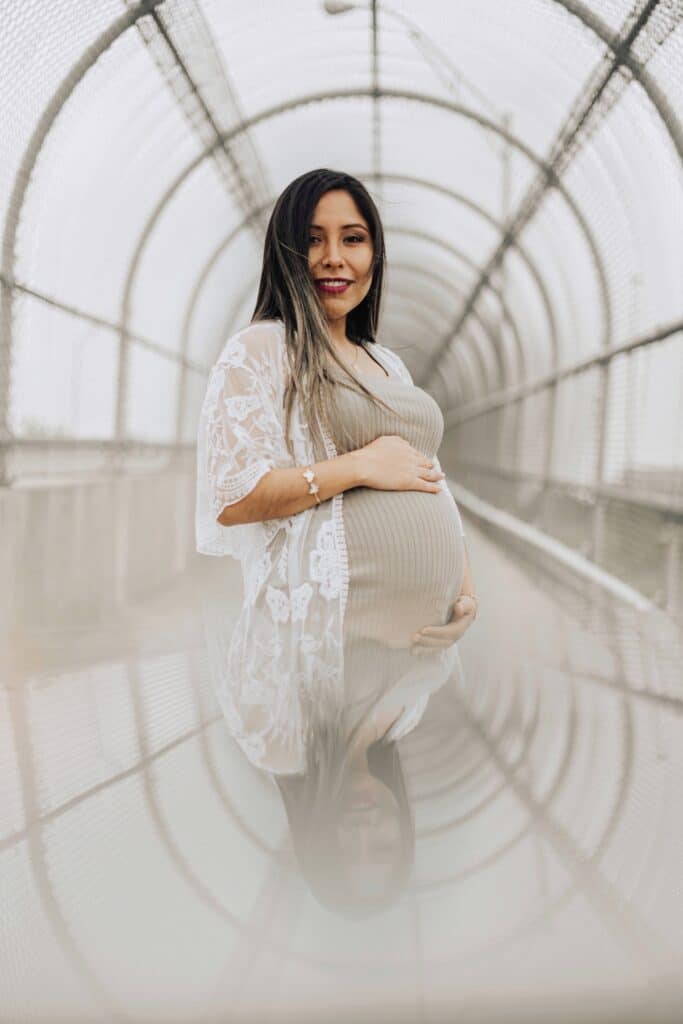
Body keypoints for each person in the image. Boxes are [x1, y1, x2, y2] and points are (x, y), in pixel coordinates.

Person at [195, 168, 478, 913]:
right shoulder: (262, 351)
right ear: (285, 254)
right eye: (312, 240)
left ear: (374, 255)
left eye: (351, 239)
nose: (333, 258)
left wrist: (463, 583)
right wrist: (356, 466)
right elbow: (232, 495)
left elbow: (427, 476)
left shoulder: (387, 364)